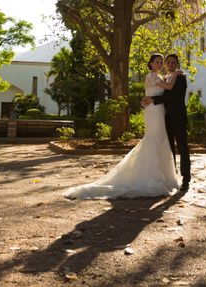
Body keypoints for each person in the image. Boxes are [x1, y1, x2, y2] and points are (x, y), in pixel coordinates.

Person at [65, 54, 180, 199]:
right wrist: (175, 73)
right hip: (154, 111)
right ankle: (150, 177)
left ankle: (162, 176)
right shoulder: (153, 76)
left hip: (157, 109)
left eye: (161, 62)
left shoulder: (158, 76)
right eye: (157, 62)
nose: (160, 63)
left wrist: (172, 74)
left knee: (159, 139)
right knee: (153, 139)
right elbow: (169, 86)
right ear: (150, 63)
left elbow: (165, 83)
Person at [142, 54, 191, 192]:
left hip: (178, 118)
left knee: (182, 148)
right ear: (165, 64)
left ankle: (186, 180)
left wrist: (152, 99)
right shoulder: (165, 77)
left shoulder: (180, 77)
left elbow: (173, 96)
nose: (170, 64)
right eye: (168, 62)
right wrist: (148, 100)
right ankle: (171, 178)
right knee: (169, 149)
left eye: (173, 62)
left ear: (177, 64)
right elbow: (156, 91)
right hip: (164, 118)